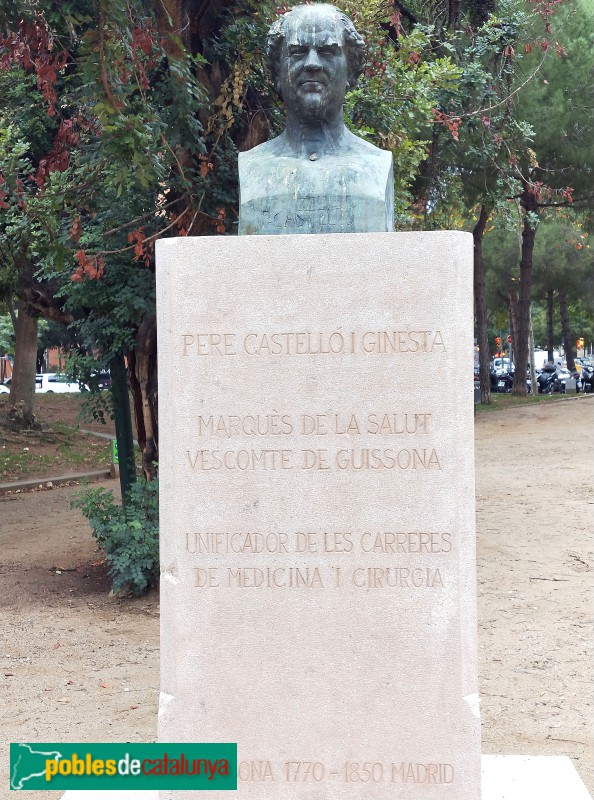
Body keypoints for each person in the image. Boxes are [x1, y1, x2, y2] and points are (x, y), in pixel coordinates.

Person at [238, 3, 394, 235]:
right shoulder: (253, 168)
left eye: (328, 51)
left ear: (351, 71)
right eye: (297, 52)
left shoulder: (375, 167)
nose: (312, 63)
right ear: (277, 74)